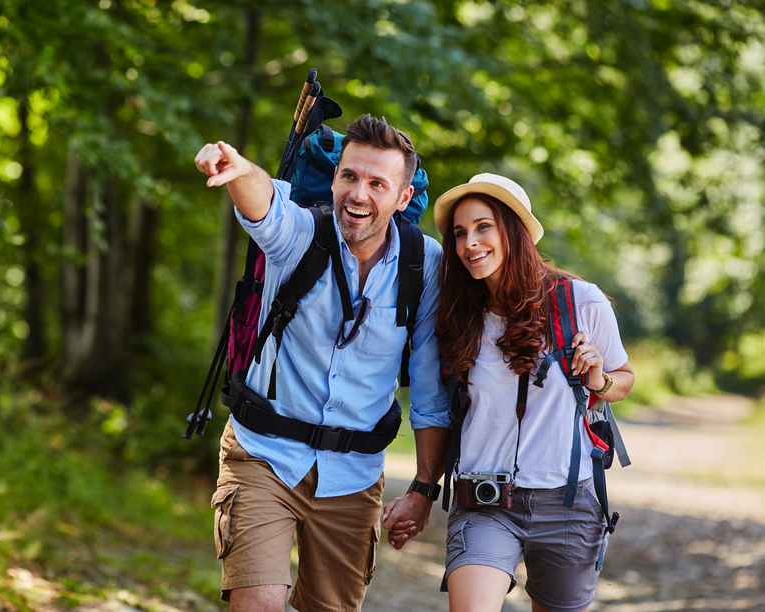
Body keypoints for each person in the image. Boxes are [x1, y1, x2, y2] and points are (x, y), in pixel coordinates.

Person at [193, 115, 451, 612]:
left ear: (402, 198)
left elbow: (430, 388)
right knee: (258, 604)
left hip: (354, 478)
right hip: (263, 456)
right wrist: (238, 167)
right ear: (334, 177)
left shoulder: (426, 264)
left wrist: (423, 487)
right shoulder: (301, 233)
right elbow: (263, 204)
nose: (358, 194)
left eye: (378, 183)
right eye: (349, 176)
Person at [430, 173, 633, 612]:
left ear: (513, 231)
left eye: (483, 227)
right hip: (483, 498)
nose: (470, 243)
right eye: (461, 233)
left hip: (568, 501)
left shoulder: (580, 301)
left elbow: (624, 379)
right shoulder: (458, 311)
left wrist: (599, 380)